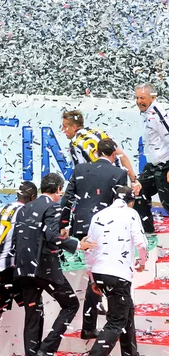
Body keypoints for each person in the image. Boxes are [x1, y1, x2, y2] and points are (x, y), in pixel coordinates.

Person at [13, 173, 97, 356]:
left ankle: (33, 354)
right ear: (58, 189)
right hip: (45, 268)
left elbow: (19, 239)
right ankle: (46, 348)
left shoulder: (24, 208)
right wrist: (77, 244)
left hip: (23, 268)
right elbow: (51, 236)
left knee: (32, 315)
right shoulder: (53, 206)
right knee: (71, 304)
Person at [85, 186, 148, 356]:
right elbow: (142, 243)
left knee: (127, 312)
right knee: (116, 321)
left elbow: (88, 248)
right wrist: (142, 262)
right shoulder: (131, 214)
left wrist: (92, 278)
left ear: (113, 200)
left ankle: (130, 353)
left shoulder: (98, 215)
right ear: (131, 202)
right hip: (118, 274)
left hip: (99, 272)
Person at [0, 181, 38, 338]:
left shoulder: (1, 208)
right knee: (34, 309)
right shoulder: (26, 212)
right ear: (33, 197)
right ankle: (35, 350)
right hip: (11, 268)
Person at [60, 109, 140, 196]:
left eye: (64, 126)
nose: (62, 129)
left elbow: (80, 173)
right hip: (118, 179)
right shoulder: (99, 132)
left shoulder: (74, 144)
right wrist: (133, 180)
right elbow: (122, 156)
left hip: (100, 187)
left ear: (74, 127)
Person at [134, 83, 169, 233]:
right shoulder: (148, 113)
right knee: (137, 192)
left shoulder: (159, 113)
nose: (139, 101)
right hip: (153, 165)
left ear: (153, 97)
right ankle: (148, 232)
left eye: (142, 97)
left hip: (165, 165)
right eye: (137, 97)